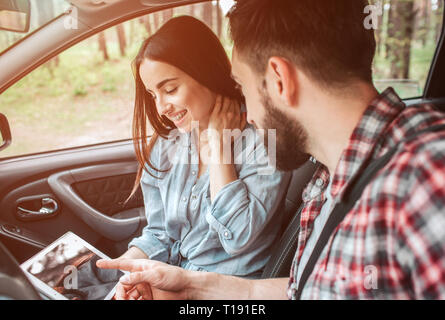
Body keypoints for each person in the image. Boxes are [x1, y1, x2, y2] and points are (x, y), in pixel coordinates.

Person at [98, 0, 445, 299]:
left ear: (279, 79)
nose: (244, 109)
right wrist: (192, 288)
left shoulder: (426, 178)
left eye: (242, 86)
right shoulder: (329, 178)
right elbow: (306, 289)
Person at [97, 15, 290, 289]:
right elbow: (160, 234)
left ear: (206, 73)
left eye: (170, 89)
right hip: (174, 281)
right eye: (153, 95)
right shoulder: (167, 144)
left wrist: (220, 150)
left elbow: (237, 236)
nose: (162, 106)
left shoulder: (262, 140)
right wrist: (128, 270)